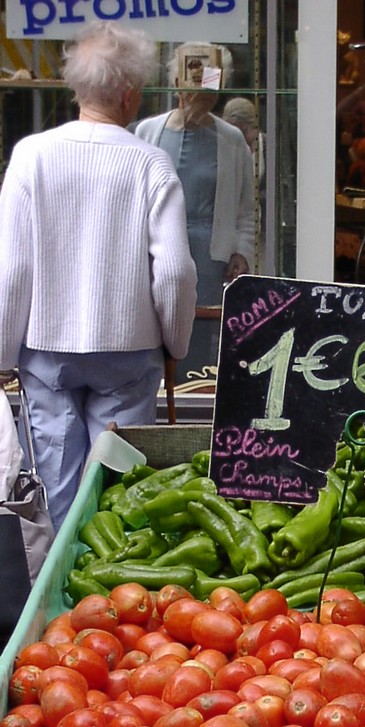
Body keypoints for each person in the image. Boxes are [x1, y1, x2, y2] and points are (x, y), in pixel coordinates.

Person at [0, 23, 197, 532]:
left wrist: (2, 354)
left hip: (46, 350)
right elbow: (175, 271)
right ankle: (113, 573)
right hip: (129, 350)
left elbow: (13, 269)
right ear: (130, 94)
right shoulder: (151, 164)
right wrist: (176, 342)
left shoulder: (31, 156)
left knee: (55, 492)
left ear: (76, 88)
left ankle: (59, 579)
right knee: (119, 492)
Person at [135, 43, 255, 382]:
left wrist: (241, 252)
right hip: (156, 247)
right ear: (176, 82)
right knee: (151, 328)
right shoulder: (147, 132)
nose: (202, 93)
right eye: (193, 80)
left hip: (208, 253)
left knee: (198, 338)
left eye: (211, 83)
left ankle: (191, 396)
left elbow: (245, 207)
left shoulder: (231, 139)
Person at [222, 96, 267, 270]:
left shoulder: (269, 147)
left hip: (263, 233)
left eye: (245, 131)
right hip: (231, 232)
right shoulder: (224, 146)